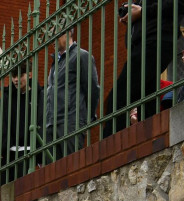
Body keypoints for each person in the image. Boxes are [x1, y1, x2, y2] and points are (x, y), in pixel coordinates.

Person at [104, 3, 180, 137]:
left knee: (118, 98)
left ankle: (108, 152)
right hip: (144, 44)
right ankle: (150, 142)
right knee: (147, 102)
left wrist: (143, 11)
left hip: (156, 41)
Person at [43, 29, 99, 160]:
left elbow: (92, 89)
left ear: (68, 33)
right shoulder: (55, 63)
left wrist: (86, 119)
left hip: (71, 122)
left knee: (72, 167)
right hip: (52, 125)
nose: (52, 39)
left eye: (55, 35)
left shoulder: (81, 56)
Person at [0, 64, 44, 185]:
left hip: (30, 154)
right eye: (13, 76)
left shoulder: (39, 96)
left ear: (29, 75)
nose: (16, 79)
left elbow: (43, 124)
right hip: (8, 156)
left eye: (20, 75)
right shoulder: (6, 99)